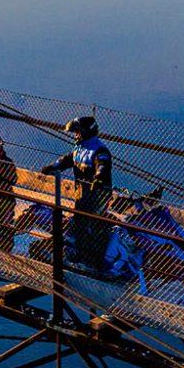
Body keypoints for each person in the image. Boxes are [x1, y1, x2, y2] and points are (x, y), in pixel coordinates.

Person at [40, 115, 113, 268]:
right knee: (79, 222)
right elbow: (66, 160)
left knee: (89, 225)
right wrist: (53, 166)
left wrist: (99, 178)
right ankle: (77, 255)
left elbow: (103, 166)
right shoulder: (80, 148)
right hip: (82, 193)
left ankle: (91, 261)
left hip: (98, 194)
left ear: (87, 132)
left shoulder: (99, 150)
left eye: (78, 132)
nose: (76, 135)